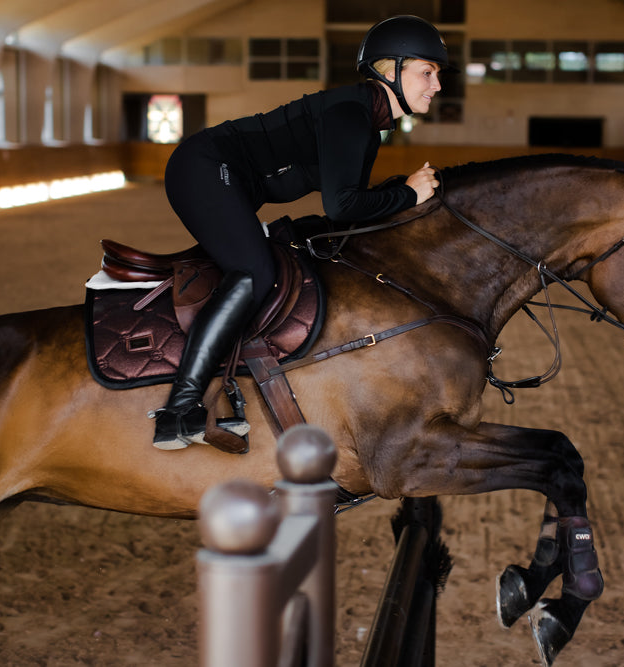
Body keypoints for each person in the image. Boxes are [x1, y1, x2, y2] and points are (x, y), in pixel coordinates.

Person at [152, 15, 450, 450]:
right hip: (204, 167)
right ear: (390, 71)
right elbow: (343, 205)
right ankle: (179, 410)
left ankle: (226, 391)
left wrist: (403, 195)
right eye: (427, 72)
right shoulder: (351, 113)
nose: (437, 85)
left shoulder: (366, 122)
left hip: (224, 177)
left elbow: (346, 212)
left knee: (267, 261)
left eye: (437, 74)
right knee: (254, 272)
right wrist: (407, 194)